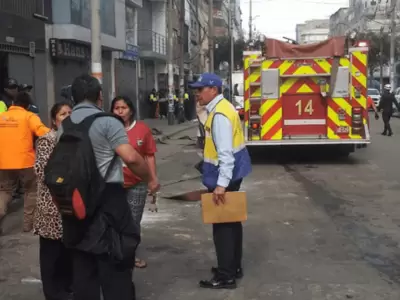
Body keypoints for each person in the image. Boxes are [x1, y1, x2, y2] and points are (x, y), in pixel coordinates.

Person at [56, 74, 159, 300]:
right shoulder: (107, 121)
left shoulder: (65, 124)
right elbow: (131, 157)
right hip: (108, 201)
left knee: (83, 266)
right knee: (115, 263)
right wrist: (148, 177)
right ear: (100, 97)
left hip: (76, 202)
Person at [189, 73, 252, 289]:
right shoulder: (222, 108)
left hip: (226, 176)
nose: (197, 93)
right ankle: (233, 266)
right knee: (233, 222)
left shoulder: (219, 116)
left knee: (222, 227)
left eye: (201, 89)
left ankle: (225, 276)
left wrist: (221, 185)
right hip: (234, 174)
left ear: (213, 90)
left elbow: (225, 154)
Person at [111, 96, 158, 269]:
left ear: (131, 110)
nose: (120, 111)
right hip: (113, 185)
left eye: (124, 107)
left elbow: (149, 155)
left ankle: (130, 255)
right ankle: (114, 253)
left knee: (133, 221)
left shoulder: (142, 130)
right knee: (113, 220)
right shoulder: (107, 129)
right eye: (117, 108)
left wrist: (153, 179)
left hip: (137, 184)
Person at [34, 102, 73, 300]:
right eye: (62, 114)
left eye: (69, 113)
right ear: (54, 120)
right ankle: (52, 291)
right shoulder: (47, 140)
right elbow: (41, 170)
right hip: (51, 204)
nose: (66, 116)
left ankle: (65, 286)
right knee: (51, 252)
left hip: (69, 204)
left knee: (67, 249)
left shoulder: (72, 140)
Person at [0, 92, 50, 235]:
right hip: (25, 161)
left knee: (4, 191)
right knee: (31, 191)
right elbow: (42, 132)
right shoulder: (29, 116)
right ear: (27, 105)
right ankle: (28, 225)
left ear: (13, 104)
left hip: (3, 162)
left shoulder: (1, 117)